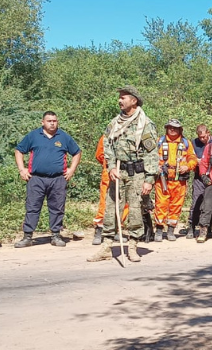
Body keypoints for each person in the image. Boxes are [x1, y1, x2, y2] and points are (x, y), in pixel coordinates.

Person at [88, 86, 158, 262]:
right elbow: (108, 146)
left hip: (137, 174)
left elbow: (151, 153)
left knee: (135, 210)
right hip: (118, 172)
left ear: (134, 101)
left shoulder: (145, 124)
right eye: (119, 97)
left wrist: (149, 179)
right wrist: (111, 166)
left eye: (123, 97)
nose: (120, 100)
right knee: (111, 210)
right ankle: (106, 247)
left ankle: (133, 246)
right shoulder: (114, 123)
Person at [13, 111, 82, 249]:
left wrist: (72, 169)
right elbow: (19, 150)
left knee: (57, 207)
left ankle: (56, 235)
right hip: (36, 178)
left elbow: (77, 152)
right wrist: (22, 169)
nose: (52, 123)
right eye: (49, 121)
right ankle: (27, 237)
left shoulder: (63, 136)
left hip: (58, 179)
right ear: (42, 122)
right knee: (32, 207)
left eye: (54, 121)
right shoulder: (33, 135)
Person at [153, 119, 197, 241]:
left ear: (180, 129)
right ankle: (159, 229)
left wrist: (187, 166)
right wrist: (156, 167)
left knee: (176, 205)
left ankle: (171, 230)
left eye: (175, 128)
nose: (172, 130)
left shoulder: (185, 143)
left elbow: (192, 158)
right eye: (170, 127)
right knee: (161, 204)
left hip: (179, 180)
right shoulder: (159, 142)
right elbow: (151, 157)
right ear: (166, 128)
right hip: (162, 179)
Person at [185, 124, 211, 239]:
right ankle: (191, 226)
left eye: (204, 137)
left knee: (210, 203)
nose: (202, 139)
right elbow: (190, 157)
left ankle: (208, 228)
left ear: (208, 133)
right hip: (198, 176)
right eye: (200, 137)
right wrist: (197, 161)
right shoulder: (194, 143)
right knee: (196, 201)